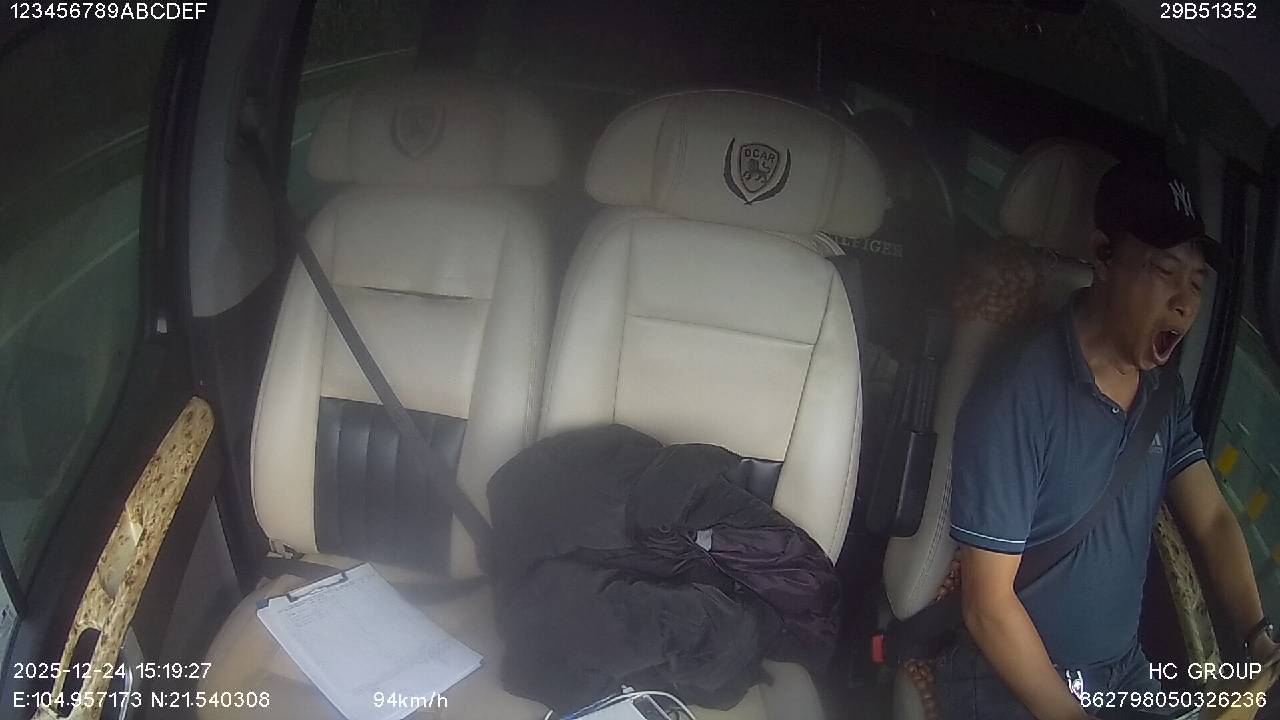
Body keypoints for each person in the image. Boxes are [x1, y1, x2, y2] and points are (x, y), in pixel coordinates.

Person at [938, 161, 1278, 720]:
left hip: (1123, 677)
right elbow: (987, 607)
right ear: (1103, 256)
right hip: (1008, 681)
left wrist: (1258, 635)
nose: (1184, 302)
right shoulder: (1020, 390)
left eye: (1196, 283)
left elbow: (1214, 519)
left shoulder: (1164, 392)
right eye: (1164, 271)